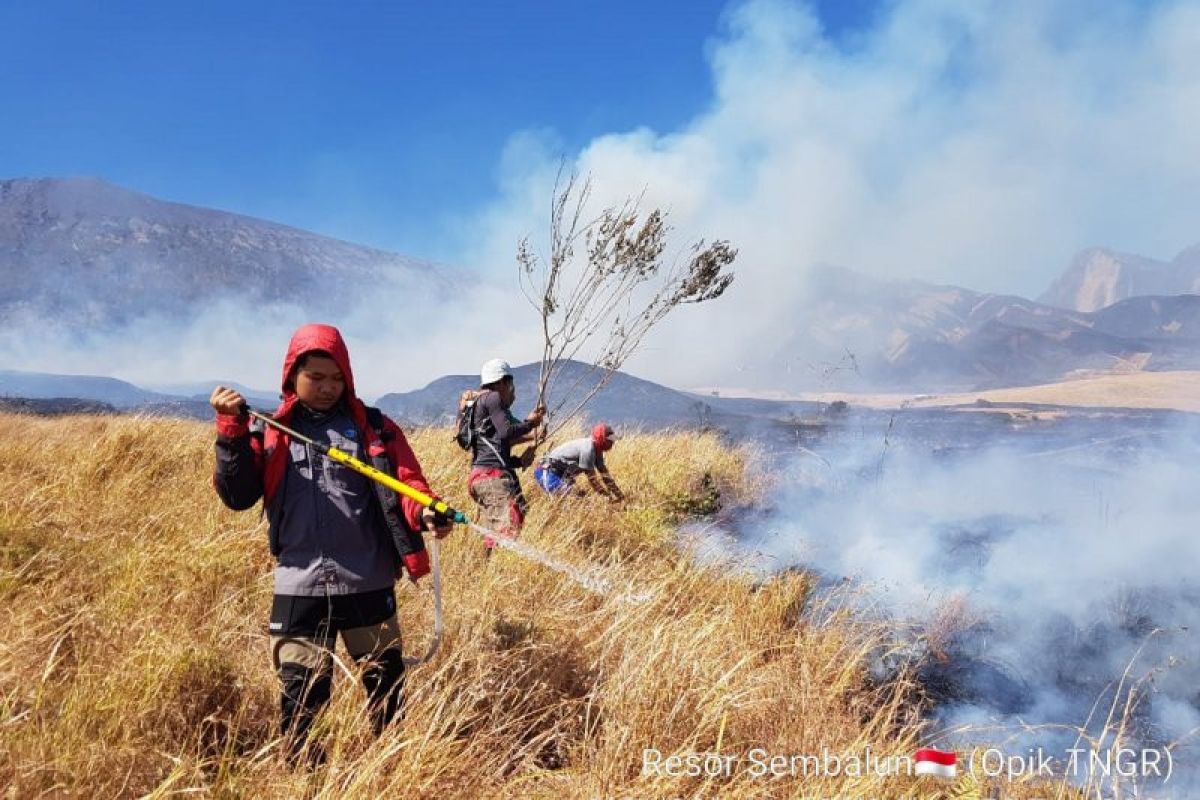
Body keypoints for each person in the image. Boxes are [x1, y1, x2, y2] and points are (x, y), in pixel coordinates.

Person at [209, 323, 452, 761]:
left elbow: (409, 486)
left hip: (368, 581)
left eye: (336, 378)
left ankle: (390, 776)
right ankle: (306, 783)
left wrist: (428, 511)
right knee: (302, 702)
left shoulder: (375, 429)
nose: (327, 388)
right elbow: (237, 496)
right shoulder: (267, 432)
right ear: (291, 376)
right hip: (298, 587)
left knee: (387, 694)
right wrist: (230, 430)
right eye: (316, 377)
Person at [465, 358, 544, 547]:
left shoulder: (478, 402)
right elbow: (506, 432)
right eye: (510, 384)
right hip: (491, 477)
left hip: (484, 475)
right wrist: (530, 423)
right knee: (508, 526)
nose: (511, 389)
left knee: (504, 525)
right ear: (501, 381)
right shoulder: (492, 397)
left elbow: (494, 442)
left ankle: (490, 570)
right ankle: (493, 572)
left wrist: (517, 461)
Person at [533, 423, 625, 503]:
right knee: (576, 502)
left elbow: (605, 475)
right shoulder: (588, 450)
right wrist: (608, 497)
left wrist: (620, 496)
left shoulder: (597, 450)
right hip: (547, 473)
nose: (612, 443)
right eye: (610, 441)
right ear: (602, 440)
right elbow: (593, 481)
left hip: (558, 475)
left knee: (580, 497)